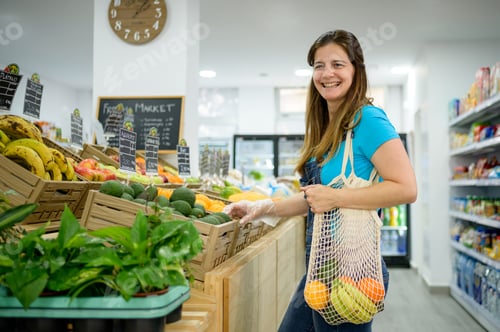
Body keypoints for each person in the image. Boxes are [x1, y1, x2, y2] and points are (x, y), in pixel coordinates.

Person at [223, 29, 417, 332]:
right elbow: (314, 199)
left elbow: (407, 188)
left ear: (356, 70)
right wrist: (262, 207)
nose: (327, 73)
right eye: (319, 65)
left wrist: (338, 198)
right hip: (322, 266)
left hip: (352, 273)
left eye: (338, 64)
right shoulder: (328, 127)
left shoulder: (368, 120)